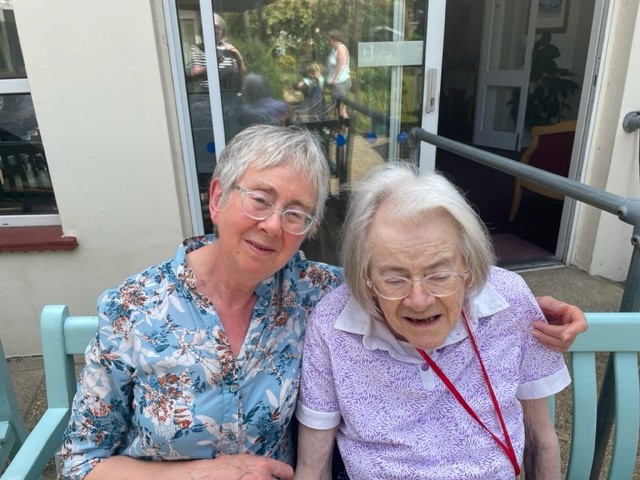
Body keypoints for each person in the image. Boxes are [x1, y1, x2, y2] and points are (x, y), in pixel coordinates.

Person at [57, 126, 584, 480]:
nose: (273, 225)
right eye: (260, 200)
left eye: (297, 213)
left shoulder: (316, 291)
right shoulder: (133, 308)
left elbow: (410, 272)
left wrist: (524, 307)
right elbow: (80, 462)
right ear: (217, 198)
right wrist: (202, 473)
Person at [295, 162, 572, 479]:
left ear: (468, 264)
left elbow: (540, 439)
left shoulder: (509, 301)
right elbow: (313, 468)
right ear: (366, 276)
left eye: (439, 275)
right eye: (395, 279)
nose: (419, 300)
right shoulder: (333, 325)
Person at [188, 13, 245, 93]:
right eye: (212, 28)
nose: (215, 31)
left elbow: (241, 74)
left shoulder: (228, 48)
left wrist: (239, 58)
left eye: (218, 28)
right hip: (208, 94)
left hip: (230, 93)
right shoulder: (197, 49)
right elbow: (195, 73)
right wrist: (214, 63)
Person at [325, 30, 351, 133]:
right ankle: (340, 132)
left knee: (341, 110)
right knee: (336, 110)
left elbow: (340, 65)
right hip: (335, 84)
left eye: (329, 39)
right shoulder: (334, 50)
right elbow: (331, 65)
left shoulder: (341, 48)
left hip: (341, 83)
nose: (328, 41)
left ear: (334, 39)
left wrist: (334, 78)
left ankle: (345, 134)